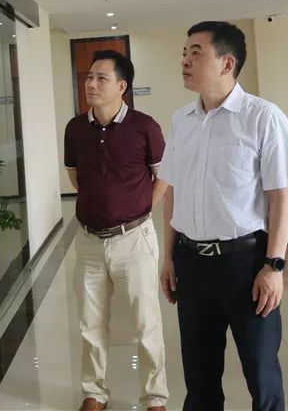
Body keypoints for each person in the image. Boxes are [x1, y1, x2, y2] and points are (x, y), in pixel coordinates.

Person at [158, 21, 288, 411]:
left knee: (261, 374)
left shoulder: (263, 117)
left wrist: (274, 265)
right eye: (184, 53)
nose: (185, 61)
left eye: (196, 52)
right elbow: (172, 192)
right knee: (199, 376)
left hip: (246, 264)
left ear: (227, 63)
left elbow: (280, 197)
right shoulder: (181, 120)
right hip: (191, 263)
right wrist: (168, 257)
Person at [64, 50, 168, 411]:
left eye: (101, 78)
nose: (91, 84)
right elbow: (76, 177)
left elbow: (163, 176)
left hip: (134, 240)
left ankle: (155, 397)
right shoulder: (75, 128)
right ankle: (94, 393)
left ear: (121, 86)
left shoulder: (145, 126)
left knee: (146, 323)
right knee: (90, 325)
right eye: (89, 77)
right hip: (89, 241)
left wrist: (139, 209)